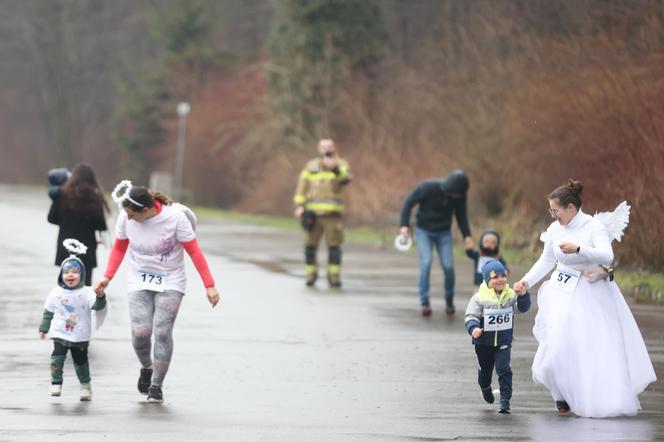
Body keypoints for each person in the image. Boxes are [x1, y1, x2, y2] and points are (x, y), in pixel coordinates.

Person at [513, 180, 656, 418]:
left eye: (556, 210)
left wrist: (580, 249)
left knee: (587, 348)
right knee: (555, 347)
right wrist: (526, 282)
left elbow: (607, 256)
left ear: (571, 207)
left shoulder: (593, 226)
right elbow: (547, 260)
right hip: (561, 292)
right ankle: (560, 394)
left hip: (590, 292)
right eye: (551, 210)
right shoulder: (555, 229)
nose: (553, 215)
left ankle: (591, 396)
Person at [93, 181, 220, 403]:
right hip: (139, 279)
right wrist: (107, 277)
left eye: (132, 215)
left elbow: (194, 251)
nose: (128, 218)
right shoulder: (126, 216)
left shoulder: (175, 218)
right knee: (140, 333)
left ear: (146, 210)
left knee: (162, 332)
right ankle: (146, 367)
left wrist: (209, 284)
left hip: (171, 279)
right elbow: (120, 247)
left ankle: (156, 386)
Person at [399, 170, 473, 316]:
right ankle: (425, 301)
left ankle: (449, 299)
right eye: (453, 194)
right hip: (424, 231)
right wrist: (404, 225)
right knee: (426, 262)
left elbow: (461, 215)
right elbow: (408, 203)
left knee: (448, 266)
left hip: (444, 233)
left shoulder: (460, 195)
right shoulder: (428, 187)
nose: (454, 197)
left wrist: (467, 236)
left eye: (457, 195)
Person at [39, 242, 107, 401]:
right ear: (61, 275)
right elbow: (48, 311)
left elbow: (97, 306)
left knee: (80, 362)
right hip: (59, 332)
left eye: (75, 272)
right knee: (57, 357)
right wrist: (44, 327)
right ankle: (56, 383)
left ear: (82, 274)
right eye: (66, 272)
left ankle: (85, 385)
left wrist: (101, 297)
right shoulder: (56, 292)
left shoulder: (87, 292)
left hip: (79, 334)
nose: (70, 275)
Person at [464, 259, 531, 414]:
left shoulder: (510, 295)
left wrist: (523, 295)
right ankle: (485, 387)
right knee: (485, 371)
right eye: (495, 277)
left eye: (503, 275)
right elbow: (470, 316)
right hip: (483, 343)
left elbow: (522, 309)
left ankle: (505, 401)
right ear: (487, 280)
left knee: (504, 369)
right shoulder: (479, 297)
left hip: (503, 341)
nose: (500, 279)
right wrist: (474, 329)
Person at [293, 138, 351, 288]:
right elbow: (302, 186)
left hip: (332, 215)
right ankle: (311, 275)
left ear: (334, 147)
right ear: (319, 148)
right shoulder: (311, 166)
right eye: (323, 146)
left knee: (334, 247)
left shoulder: (341, 164)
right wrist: (299, 205)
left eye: (329, 146)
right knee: (309, 246)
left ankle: (334, 277)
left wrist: (334, 168)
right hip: (312, 214)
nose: (326, 149)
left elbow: (345, 179)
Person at [48, 163, 110, 285]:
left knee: (65, 287)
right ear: (92, 180)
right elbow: (101, 225)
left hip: (65, 249)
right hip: (87, 251)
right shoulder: (95, 198)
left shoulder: (62, 195)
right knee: (85, 289)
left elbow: (51, 218)